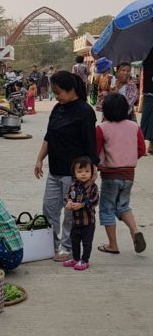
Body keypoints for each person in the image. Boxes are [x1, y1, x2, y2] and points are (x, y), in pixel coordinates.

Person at [34, 70, 97, 261]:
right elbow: (49, 136)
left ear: (71, 90)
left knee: (71, 212)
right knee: (49, 208)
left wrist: (91, 174)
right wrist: (39, 159)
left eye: (58, 92)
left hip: (74, 174)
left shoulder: (85, 112)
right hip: (55, 170)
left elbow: (90, 144)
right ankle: (52, 244)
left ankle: (67, 247)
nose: (56, 96)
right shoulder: (57, 109)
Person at [96, 93, 146, 255]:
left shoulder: (102, 128)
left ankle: (113, 245)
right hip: (129, 175)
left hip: (110, 175)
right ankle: (135, 231)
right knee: (123, 206)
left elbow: (95, 152)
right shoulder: (134, 126)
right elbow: (141, 150)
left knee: (107, 209)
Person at [62, 156, 99, 271]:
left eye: (87, 171)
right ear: (74, 173)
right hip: (76, 221)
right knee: (75, 241)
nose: (83, 174)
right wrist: (68, 202)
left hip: (88, 222)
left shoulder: (93, 187)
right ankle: (76, 259)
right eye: (80, 171)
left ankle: (85, 260)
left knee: (87, 243)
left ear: (92, 172)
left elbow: (95, 200)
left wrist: (82, 205)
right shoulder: (73, 186)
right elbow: (67, 196)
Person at [139, 46, 153, 154]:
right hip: (149, 92)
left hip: (148, 91)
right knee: (145, 119)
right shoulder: (148, 56)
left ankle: (151, 146)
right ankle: (140, 145)